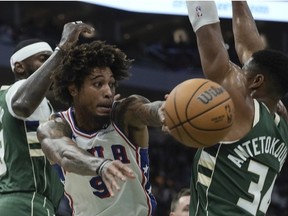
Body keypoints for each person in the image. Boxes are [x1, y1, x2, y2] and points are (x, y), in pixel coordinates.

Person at [181, 1, 288, 215]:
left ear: (257, 81)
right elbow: (251, 50)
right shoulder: (282, 122)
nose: (238, 71)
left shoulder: (238, 104)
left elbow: (207, 30)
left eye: (243, 71)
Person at [36, 39, 164, 216]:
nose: (108, 92)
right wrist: (100, 165)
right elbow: (63, 153)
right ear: (73, 89)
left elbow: (146, 110)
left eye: (111, 84)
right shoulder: (55, 127)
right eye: (98, 84)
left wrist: (166, 112)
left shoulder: (124, 114)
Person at [0, 21, 95, 216]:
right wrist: (62, 49)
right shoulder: (17, 89)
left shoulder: (14, 99)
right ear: (19, 68)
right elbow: (22, 103)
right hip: (26, 202)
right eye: (44, 59)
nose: (53, 66)